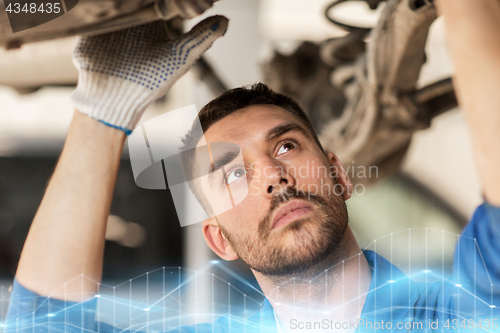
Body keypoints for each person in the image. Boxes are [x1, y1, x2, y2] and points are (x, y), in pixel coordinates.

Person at [5, 0, 500, 332]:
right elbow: (45, 321)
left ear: (339, 175)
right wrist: (102, 113)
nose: (272, 176)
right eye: (233, 173)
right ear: (218, 239)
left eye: (285, 147)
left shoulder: (455, 314)